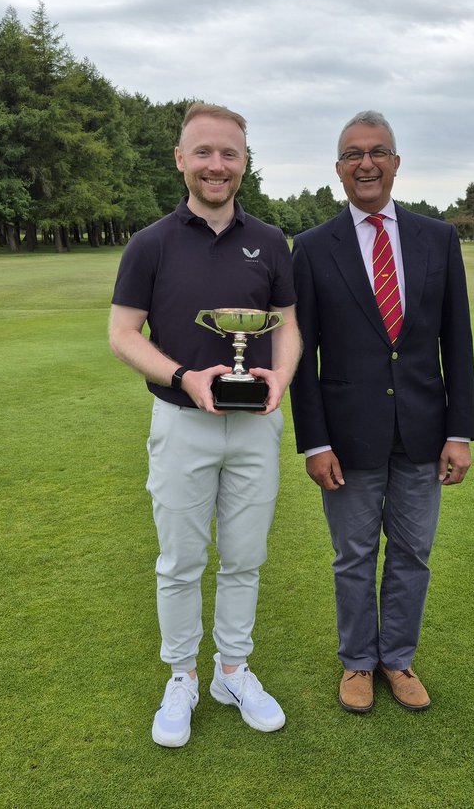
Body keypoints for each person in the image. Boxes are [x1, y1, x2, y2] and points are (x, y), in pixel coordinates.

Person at [108, 102, 300, 747]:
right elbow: (122, 333)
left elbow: (289, 324)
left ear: (244, 162)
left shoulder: (271, 241)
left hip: (254, 427)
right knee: (181, 561)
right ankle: (182, 676)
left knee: (245, 558)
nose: (217, 165)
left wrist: (281, 376)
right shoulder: (151, 242)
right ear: (181, 159)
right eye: (204, 152)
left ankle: (233, 670)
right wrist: (181, 375)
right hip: (181, 422)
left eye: (230, 154)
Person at [289, 110, 474, 713]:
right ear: (339, 169)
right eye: (352, 154)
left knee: (413, 553)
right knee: (354, 556)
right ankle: (357, 663)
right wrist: (315, 443)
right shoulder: (314, 249)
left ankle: (397, 658)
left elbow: (458, 342)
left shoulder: (438, 239)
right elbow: (301, 353)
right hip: (347, 438)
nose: (364, 163)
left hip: (424, 431)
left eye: (377, 152)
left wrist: (460, 431)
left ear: (396, 163)